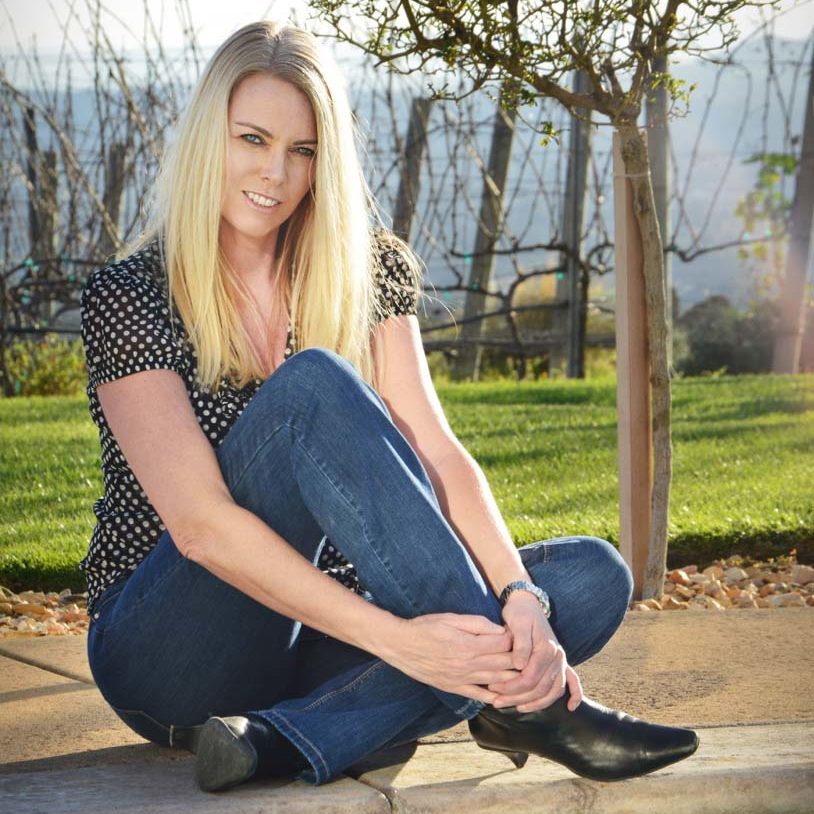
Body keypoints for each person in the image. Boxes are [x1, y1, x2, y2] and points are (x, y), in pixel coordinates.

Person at [79, 20, 698, 794]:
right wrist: (404, 643)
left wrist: (520, 598)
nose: (275, 172)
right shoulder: (132, 294)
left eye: (302, 150)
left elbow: (437, 454)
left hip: (318, 634)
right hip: (174, 651)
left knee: (585, 580)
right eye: (252, 139)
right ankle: (532, 712)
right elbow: (202, 530)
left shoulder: (366, 269)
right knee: (311, 388)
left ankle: (283, 740)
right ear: (211, 136)